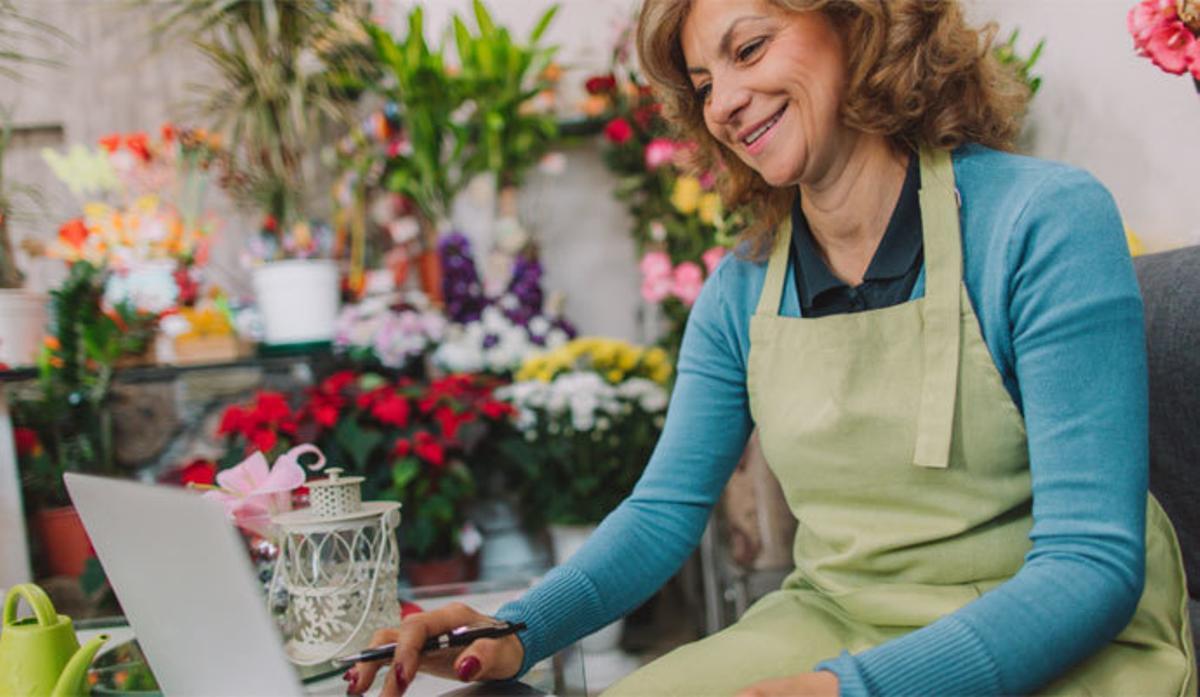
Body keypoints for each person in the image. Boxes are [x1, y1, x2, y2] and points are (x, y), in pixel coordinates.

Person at [347, 1, 1196, 695]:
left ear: (861, 25)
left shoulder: (1041, 221)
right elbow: (662, 513)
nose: (723, 103)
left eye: (750, 48)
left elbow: (1091, 563)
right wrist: (517, 628)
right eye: (706, 82)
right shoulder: (742, 287)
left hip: (1047, 635)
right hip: (834, 619)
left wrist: (851, 690)